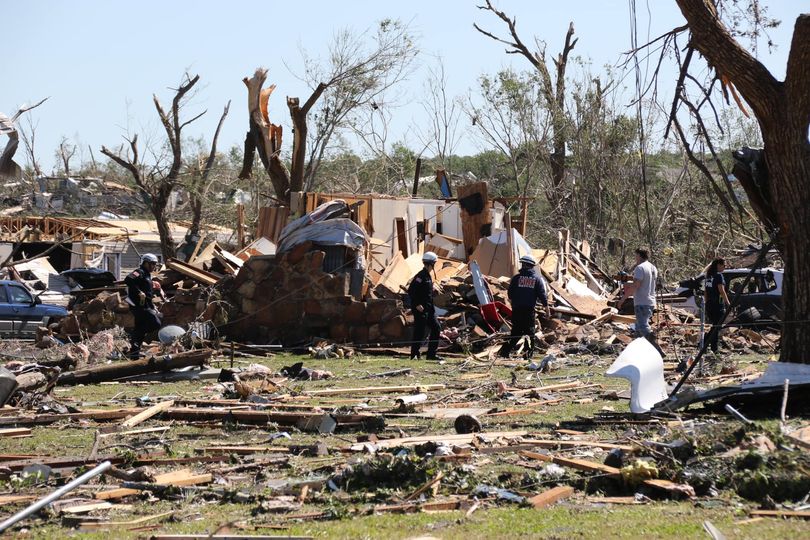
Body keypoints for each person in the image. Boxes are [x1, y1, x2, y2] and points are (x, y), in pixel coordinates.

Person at [499, 254, 550, 359]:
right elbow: (542, 296)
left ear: (523, 265)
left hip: (517, 310)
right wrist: (547, 310)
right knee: (529, 333)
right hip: (528, 311)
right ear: (532, 266)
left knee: (516, 332)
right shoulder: (537, 279)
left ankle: (504, 352)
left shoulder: (516, 279)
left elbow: (510, 294)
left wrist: (517, 301)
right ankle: (527, 356)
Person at [125, 253, 163, 358]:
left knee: (141, 327)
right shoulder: (139, 272)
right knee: (156, 323)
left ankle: (134, 352)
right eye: (151, 264)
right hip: (139, 306)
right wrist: (138, 292)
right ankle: (135, 336)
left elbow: (148, 293)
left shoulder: (147, 275)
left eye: (154, 264)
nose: (153, 266)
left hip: (146, 305)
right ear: (145, 263)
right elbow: (128, 279)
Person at [408, 251, 442, 360]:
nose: (434, 266)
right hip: (421, 309)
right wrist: (417, 304)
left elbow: (425, 291)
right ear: (430, 264)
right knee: (419, 331)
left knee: (436, 328)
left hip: (429, 309)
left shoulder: (428, 276)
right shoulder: (420, 276)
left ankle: (431, 354)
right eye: (434, 264)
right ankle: (414, 354)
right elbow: (411, 290)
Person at [621, 248, 658, 340]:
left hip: (642, 302)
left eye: (636, 255)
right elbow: (644, 283)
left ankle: (656, 347)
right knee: (638, 329)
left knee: (643, 327)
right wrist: (626, 284)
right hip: (650, 301)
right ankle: (638, 348)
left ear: (639, 255)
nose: (635, 258)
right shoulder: (653, 267)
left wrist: (623, 299)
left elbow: (635, 286)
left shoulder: (640, 267)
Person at [704, 257, 731, 354]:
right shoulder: (719, 276)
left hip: (710, 304)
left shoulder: (709, 276)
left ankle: (712, 347)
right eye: (724, 265)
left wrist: (706, 303)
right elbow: (722, 291)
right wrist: (728, 303)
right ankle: (705, 343)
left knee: (715, 325)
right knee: (717, 326)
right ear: (718, 265)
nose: (725, 267)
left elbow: (706, 292)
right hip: (718, 305)